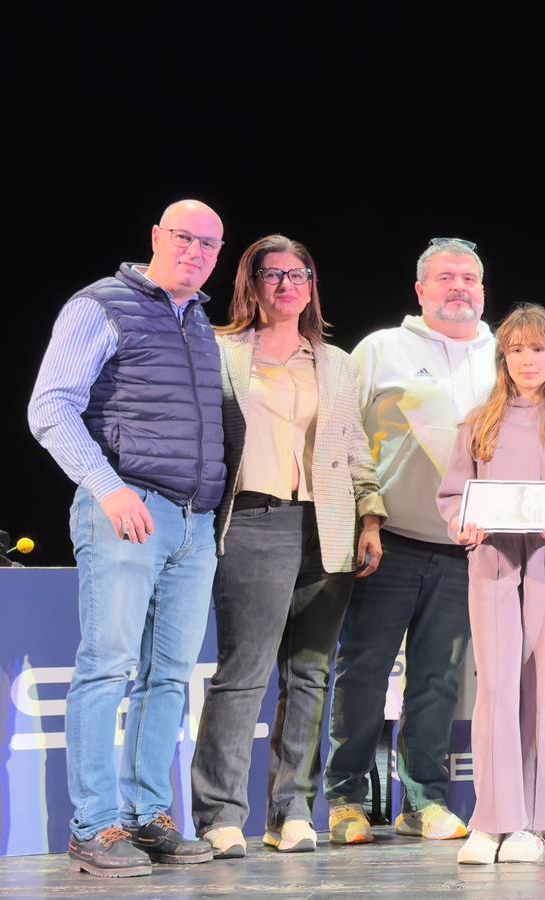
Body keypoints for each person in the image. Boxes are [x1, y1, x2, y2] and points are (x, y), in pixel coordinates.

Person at [28, 199, 227, 877]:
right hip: (125, 506)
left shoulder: (201, 322)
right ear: (154, 237)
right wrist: (106, 487)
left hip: (194, 521)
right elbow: (51, 406)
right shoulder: (102, 304)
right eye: (184, 237)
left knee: (169, 676)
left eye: (210, 243)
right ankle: (94, 825)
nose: (196, 251)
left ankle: (147, 816)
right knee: (107, 666)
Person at [189, 235, 386, 857]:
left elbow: (354, 448)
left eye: (298, 274)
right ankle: (220, 814)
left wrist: (370, 519)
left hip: (326, 527)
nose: (286, 285)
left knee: (310, 674)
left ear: (312, 284)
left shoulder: (335, 363)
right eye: (272, 274)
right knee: (243, 674)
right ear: (251, 284)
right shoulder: (221, 352)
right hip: (251, 522)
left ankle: (291, 810)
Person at [324, 238, 496, 844]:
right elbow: (341, 437)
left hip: (465, 548)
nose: (460, 287)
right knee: (365, 672)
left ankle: (423, 801)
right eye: (446, 277)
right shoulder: (380, 349)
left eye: (470, 278)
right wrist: (364, 519)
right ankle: (345, 800)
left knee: (438, 681)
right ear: (419, 289)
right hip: (388, 541)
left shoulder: (503, 356)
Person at [438, 304, 545, 865]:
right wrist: (464, 523)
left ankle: (536, 818)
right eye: (516, 349)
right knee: (498, 688)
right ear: (502, 357)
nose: (527, 360)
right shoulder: (479, 422)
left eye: (538, 349)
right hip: (493, 562)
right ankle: (493, 818)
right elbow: (453, 495)